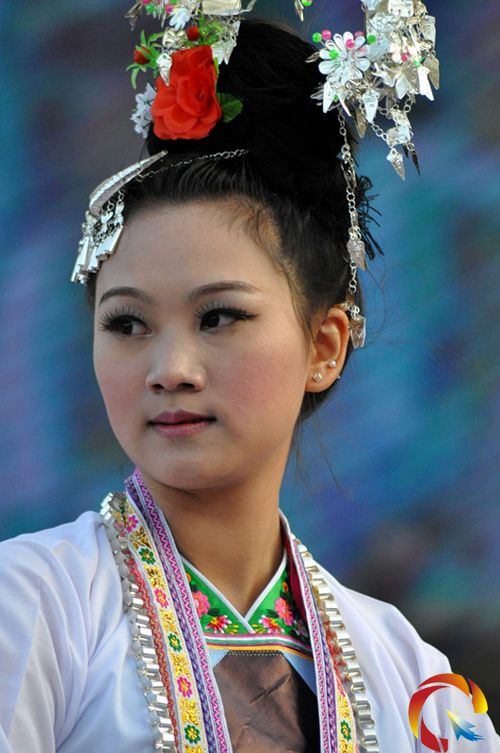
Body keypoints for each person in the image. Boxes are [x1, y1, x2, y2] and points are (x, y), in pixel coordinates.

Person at [0, 4, 498, 753]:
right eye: (127, 324)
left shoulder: (409, 672)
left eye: (220, 317)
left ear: (324, 346)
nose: (170, 370)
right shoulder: (31, 605)